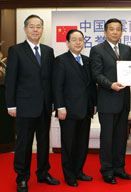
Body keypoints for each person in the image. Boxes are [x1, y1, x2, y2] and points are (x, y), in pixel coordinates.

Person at [5, 15, 60, 192]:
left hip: (44, 106)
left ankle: (43, 173)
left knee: (44, 143)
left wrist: (53, 103)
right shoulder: (16, 50)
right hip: (24, 106)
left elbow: (51, 80)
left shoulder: (48, 51)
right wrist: (11, 105)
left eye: (38, 27)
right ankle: (22, 177)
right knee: (24, 144)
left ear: (42, 30)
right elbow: (11, 80)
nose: (35, 30)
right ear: (25, 29)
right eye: (32, 27)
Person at [89, 18, 131, 184]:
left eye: (118, 29)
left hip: (124, 101)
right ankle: (107, 170)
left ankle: (119, 168)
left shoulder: (126, 49)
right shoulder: (97, 50)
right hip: (107, 99)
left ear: (121, 32)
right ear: (106, 32)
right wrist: (110, 85)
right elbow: (96, 74)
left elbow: (130, 71)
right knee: (107, 137)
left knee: (121, 137)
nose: (115, 32)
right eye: (112, 29)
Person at [52, 29, 97, 187]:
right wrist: (60, 106)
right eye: (74, 40)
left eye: (81, 39)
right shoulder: (61, 61)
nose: (78, 42)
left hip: (85, 109)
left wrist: (94, 103)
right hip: (68, 110)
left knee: (82, 143)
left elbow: (91, 85)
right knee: (69, 144)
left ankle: (79, 171)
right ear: (67, 43)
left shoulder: (87, 60)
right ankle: (69, 174)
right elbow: (57, 86)